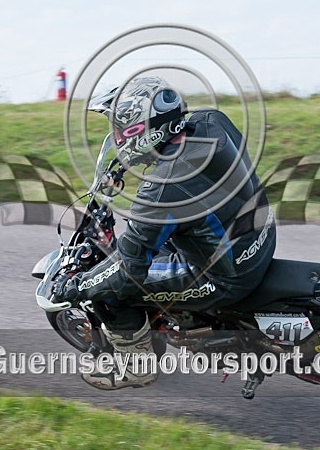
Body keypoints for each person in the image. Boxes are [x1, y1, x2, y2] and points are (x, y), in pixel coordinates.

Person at [53, 77, 276, 390]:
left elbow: (127, 269)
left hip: (225, 276)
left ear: (137, 130)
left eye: (118, 129)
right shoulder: (210, 121)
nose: (114, 137)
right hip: (258, 234)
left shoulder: (160, 190)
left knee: (109, 290)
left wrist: (77, 286)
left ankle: (136, 368)